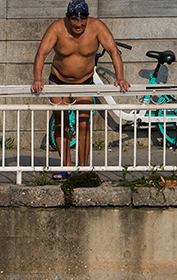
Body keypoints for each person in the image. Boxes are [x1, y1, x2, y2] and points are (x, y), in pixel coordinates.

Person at [30, 0, 130, 179]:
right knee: (61, 124)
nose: (78, 24)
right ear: (67, 18)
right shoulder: (57, 28)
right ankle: (66, 167)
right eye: (74, 20)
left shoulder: (97, 27)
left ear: (87, 17)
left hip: (84, 82)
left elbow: (114, 50)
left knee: (84, 123)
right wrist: (37, 79)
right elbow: (41, 53)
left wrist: (120, 78)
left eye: (82, 19)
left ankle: (83, 168)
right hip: (58, 82)